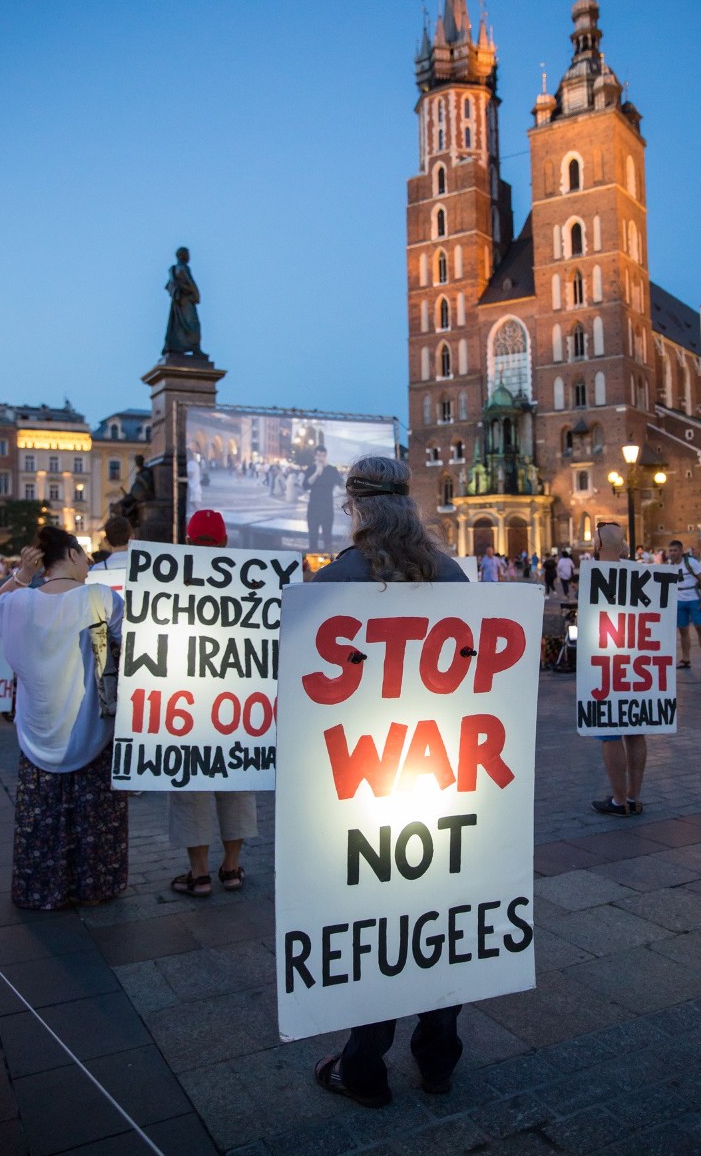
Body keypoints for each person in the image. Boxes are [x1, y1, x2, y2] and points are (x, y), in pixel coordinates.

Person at [311, 456, 468, 1108]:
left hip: (364, 783)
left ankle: (365, 1067)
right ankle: (438, 1061)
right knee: (443, 922)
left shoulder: (334, 581)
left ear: (356, 508)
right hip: (447, 776)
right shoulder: (453, 575)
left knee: (376, 929)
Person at [0, 527, 127, 910]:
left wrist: (21, 575)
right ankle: (94, 885)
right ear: (70, 554)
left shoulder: (18, 604)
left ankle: (43, 888)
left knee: (43, 819)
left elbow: (0, 606)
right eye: (84, 556)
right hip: (91, 729)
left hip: (38, 731)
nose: (88, 564)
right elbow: (132, 642)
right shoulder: (99, 598)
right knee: (94, 816)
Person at [169, 509, 258, 896]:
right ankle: (232, 868)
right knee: (236, 780)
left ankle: (200, 873)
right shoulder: (249, 583)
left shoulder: (169, 582)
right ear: (224, 543)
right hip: (237, 700)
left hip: (185, 700)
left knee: (191, 784)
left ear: (188, 542)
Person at [590, 522, 647, 817]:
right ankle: (635, 797)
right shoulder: (641, 573)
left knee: (610, 732)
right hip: (639, 661)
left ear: (598, 545)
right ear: (623, 546)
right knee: (636, 730)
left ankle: (619, 799)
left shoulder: (593, 575)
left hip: (607, 661)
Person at [668, 539, 701, 671]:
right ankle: (685, 658)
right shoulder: (670, 565)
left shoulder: (691, 563)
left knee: (700, 628)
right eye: (670, 550)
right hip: (679, 600)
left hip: (694, 599)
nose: (672, 553)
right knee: (683, 630)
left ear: (681, 551)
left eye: (675, 550)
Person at [163, 246, 205, 358]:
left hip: (179, 301)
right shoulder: (183, 268)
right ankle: (195, 348)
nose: (189, 257)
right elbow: (191, 283)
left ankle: (180, 347)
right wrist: (196, 296)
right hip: (186, 300)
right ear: (181, 255)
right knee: (194, 324)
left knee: (180, 325)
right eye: (187, 254)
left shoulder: (174, 270)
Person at [303, 445, 343, 552]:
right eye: (319, 455)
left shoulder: (332, 469)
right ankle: (311, 564)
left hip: (327, 508)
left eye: (323, 456)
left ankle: (329, 565)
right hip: (313, 508)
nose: (321, 458)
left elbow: (340, 484)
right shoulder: (311, 469)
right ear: (315, 456)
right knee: (313, 537)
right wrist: (317, 472)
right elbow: (306, 485)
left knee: (327, 538)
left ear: (326, 456)